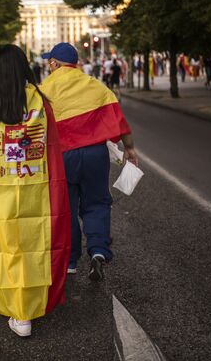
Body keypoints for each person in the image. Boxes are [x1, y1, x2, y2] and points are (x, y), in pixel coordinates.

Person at [0, 44, 70, 338]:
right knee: (34, 246)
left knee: (6, 249)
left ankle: (17, 310)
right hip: (36, 194)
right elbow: (52, 150)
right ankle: (31, 305)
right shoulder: (39, 101)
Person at [39, 42, 138, 281]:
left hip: (62, 156)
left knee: (66, 208)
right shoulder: (95, 85)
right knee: (97, 203)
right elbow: (119, 119)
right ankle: (98, 252)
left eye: (48, 62)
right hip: (95, 154)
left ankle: (70, 261)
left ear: (53, 63)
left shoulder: (43, 89)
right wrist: (130, 148)